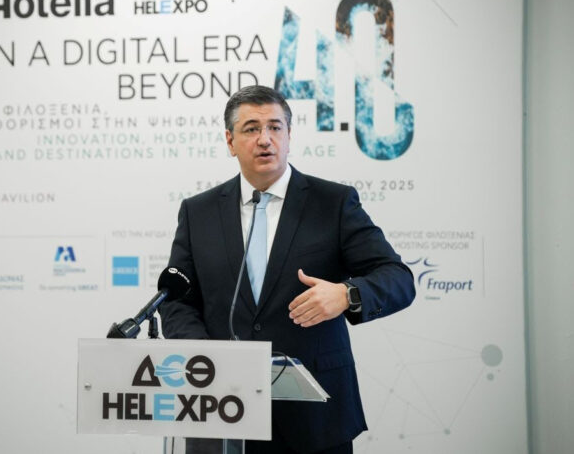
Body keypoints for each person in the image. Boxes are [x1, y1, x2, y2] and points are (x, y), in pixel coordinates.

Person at [159, 85, 415, 453]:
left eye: (275, 127)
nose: (265, 139)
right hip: (221, 409)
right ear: (230, 141)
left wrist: (346, 294)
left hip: (314, 419)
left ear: (289, 136)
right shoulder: (198, 212)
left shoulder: (333, 203)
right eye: (251, 129)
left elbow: (397, 277)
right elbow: (176, 300)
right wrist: (206, 359)